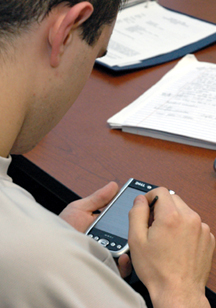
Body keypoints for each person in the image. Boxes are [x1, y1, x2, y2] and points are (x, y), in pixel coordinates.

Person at [0, 1, 215, 307]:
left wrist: (55, 240)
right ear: (67, 30)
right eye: (96, 54)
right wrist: (181, 289)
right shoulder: (43, 260)